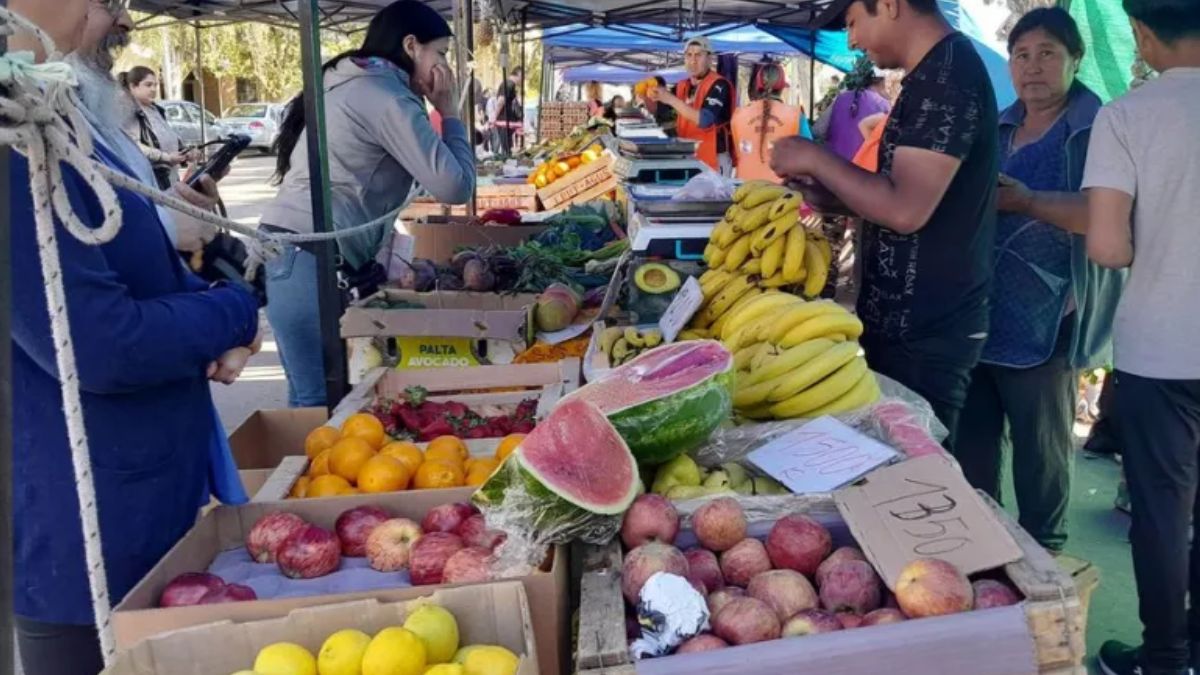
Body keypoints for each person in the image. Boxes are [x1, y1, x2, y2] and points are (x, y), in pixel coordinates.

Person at [9, 1, 263, 673]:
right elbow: (104, 344)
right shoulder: (14, 138)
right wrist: (233, 313)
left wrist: (220, 303)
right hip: (85, 548)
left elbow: (147, 276)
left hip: (150, 519)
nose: (120, 15)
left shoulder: (58, 118)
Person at [770, 0, 1000, 450]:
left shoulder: (948, 78)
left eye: (854, 23)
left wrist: (816, 155)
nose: (852, 40)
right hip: (905, 327)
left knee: (927, 484)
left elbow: (905, 209)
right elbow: (902, 194)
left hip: (928, 331)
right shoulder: (930, 75)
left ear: (890, 5)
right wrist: (831, 197)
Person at [954, 8, 1123, 554]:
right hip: (982, 312)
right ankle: (984, 550)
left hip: (1052, 317)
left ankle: (1045, 552)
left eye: (1049, 53)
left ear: (1075, 60)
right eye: (1022, 55)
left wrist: (1027, 202)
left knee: (1041, 449)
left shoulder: (1100, 130)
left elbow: (1109, 216)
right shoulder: (996, 126)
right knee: (974, 444)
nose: (1033, 67)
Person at [260, 0, 475, 408]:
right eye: (442, 54)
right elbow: (455, 186)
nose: (445, 67)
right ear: (411, 46)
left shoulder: (351, 79)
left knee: (319, 403)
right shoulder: (385, 95)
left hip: (295, 256)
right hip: (310, 261)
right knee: (320, 408)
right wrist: (448, 112)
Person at [1082, 0, 1200, 671]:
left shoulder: (1128, 114)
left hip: (1162, 348)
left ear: (1146, 35)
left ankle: (1164, 656)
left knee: (1162, 508)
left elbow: (1107, 246)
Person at [649, 36, 736, 174]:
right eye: (689, 55)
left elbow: (705, 120)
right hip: (689, 157)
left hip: (713, 160)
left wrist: (670, 99)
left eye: (698, 55)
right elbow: (664, 115)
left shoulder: (719, 84)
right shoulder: (682, 85)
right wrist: (651, 97)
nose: (693, 61)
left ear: (709, 59)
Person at [732, 60, 814, 182]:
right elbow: (809, 153)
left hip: (744, 190)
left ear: (758, 85)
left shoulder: (739, 115)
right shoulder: (795, 115)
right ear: (782, 87)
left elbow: (737, 153)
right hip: (783, 193)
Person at [120, 66, 198, 189]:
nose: (153, 89)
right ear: (133, 86)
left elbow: (170, 137)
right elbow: (134, 147)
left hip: (170, 177)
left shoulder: (156, 110)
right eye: (148, 85)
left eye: (155, 85)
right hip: (151, 179)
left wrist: (186, 152)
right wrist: (166, 157)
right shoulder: (129, 111)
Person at [812, 57, 892, 162]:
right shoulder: (884, 106)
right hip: (861, 172)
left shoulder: (840, 98)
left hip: (831, 167)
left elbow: (817, 130)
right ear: (883, 82)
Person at [494, 66, 524, 155]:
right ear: (519, 74)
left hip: (508, 123)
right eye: (523, 77)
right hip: (504, 122)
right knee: (506, 148)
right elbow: (501, 101)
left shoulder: (511, 85)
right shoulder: (508, 84)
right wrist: (494, 117)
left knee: (508, 147)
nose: (522, 80)